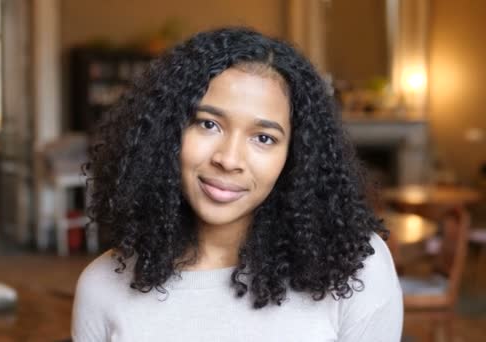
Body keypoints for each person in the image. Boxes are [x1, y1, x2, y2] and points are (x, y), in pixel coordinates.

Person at [72, 27, 403, 341]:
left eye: (263, 138)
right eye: (208, 124)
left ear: (296, 154)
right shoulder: (101, 288)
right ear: (166, 131)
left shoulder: (357, 269)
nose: (228, 159)